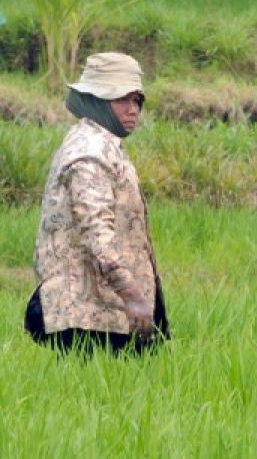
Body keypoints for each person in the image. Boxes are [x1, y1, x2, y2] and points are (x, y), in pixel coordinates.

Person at [24, 52, 170, 355]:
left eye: (137, 101)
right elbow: (98, 234)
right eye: (122, 100)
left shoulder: (102, 144)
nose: (133, 110)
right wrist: (132, 296)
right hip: (90, 314)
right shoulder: (90, 154)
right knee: (99, 396)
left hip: (103, 308)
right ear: (98, 100)